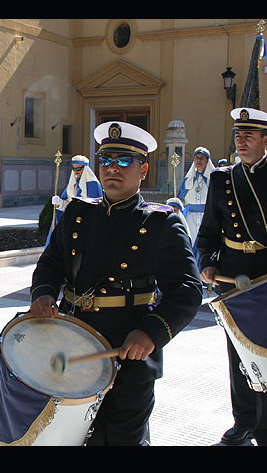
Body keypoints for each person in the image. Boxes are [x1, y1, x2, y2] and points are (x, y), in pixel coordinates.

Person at [30, 121, 201, 445]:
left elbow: (187, 290)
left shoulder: (161, 223)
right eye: (106, 161)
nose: (113, 169)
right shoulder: (78, 213)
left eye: (124, 162)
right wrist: (44, 294)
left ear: (144, 170)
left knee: (123, 440)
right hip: (74, 341)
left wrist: (151, 333)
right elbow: (51, 264)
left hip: (128, 352)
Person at [198, 107, 267, 446]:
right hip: (234, 276)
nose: (241, 141)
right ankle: (243, 422)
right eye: (238, 135)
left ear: (265, 140)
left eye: (249, 135)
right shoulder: (222, 178)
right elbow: (209, 230)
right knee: (239, 352)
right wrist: (208, 262)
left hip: (266, 277)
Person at [45, 155, 102, 247]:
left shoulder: (93, 185)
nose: (76, 172)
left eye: (78, 169)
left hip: (85, 226)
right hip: (71, 224)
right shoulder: (73, 184)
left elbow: (95, 208)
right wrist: (60, 203)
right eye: (74, 169)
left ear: (85, 168)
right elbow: (69, 205)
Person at [177, 147, 215, 260]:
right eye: (197, 158)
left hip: (206, 216)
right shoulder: (188, 179)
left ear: (207, 161)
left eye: (202, 158)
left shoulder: (212, 180)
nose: (199, 160)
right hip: (190, 218)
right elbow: (181, 197)